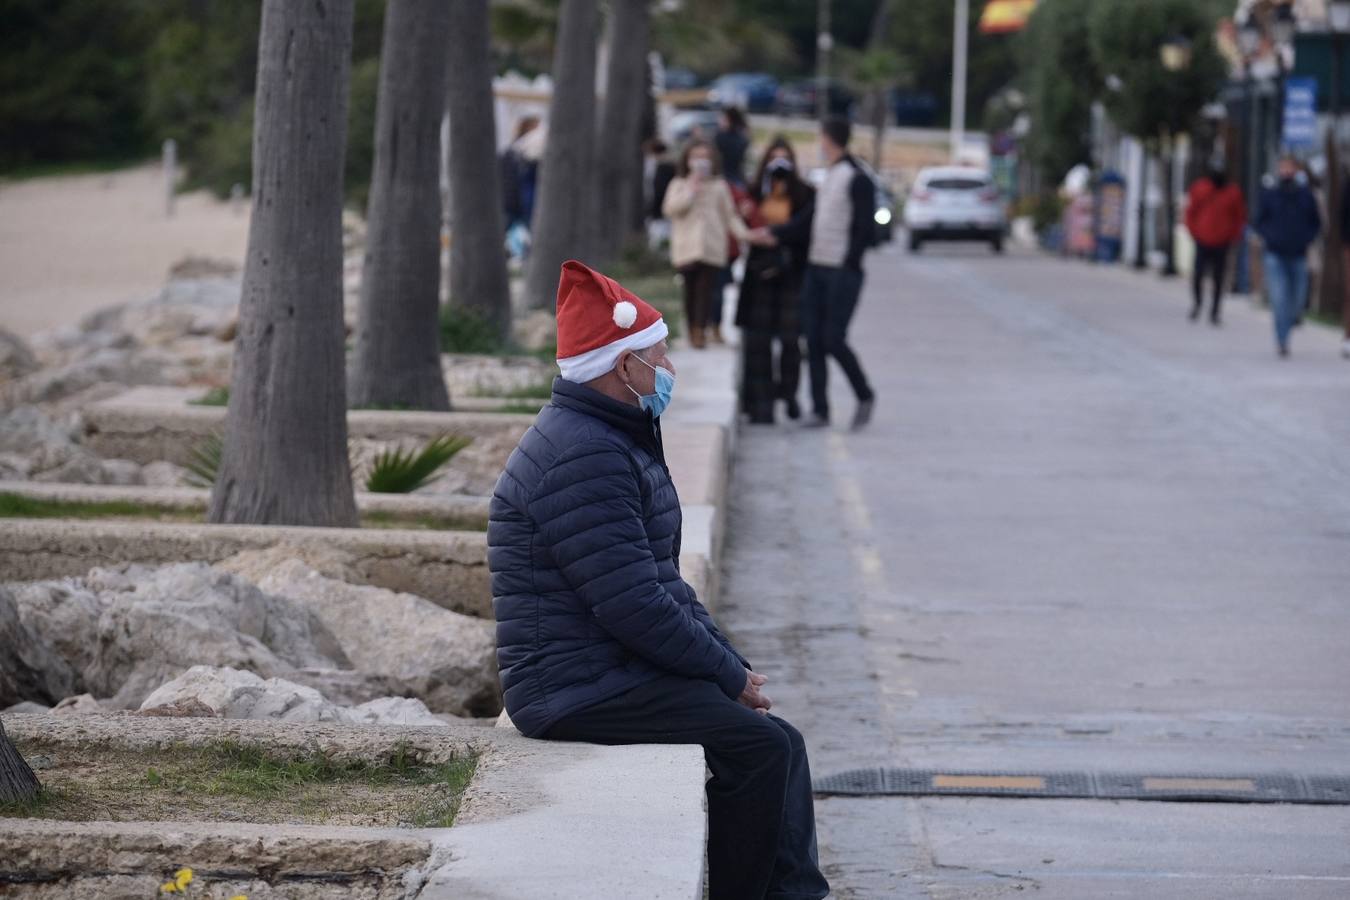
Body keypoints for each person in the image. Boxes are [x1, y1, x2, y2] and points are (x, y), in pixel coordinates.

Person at [489, 260, 830, 900]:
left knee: (779, 740)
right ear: (625, 368)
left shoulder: (609, 437)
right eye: (660, 357)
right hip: (569, 687)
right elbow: (634, 603)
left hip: (603, 666)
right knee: (757, 751)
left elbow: (661, 580)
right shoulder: (585, 454)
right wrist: (726, 677)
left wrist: (730, 665)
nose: (669, 371)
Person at [755, 116, 876, 429]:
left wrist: (849, 263)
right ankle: (820, 409)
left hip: (841, 272)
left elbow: (865, 229)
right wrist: (775, 234)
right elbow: (808, 221)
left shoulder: (856, 177)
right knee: (814, 341)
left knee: (833, 338)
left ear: (827, 139)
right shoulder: (831, 176)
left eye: (820, 138)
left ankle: (864, 394)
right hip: (816, 269)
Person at [737, 137, 814, 424]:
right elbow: (741, 225)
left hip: (791, 274)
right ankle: (761, 405)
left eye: (785, 159)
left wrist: (778, 236)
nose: (779, 166)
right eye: (774, 158)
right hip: (760, 273)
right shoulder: (755, 192)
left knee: (791, 341)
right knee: (758, 343)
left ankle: (789, 394)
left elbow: (807, 230)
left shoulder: (805, 194)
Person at [662, 140, 751, 348]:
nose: (701, 162)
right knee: (690, 290)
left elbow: (730, 216)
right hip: (686, 247)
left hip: (712, 246)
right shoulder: (679, 183)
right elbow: (670, 209)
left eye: (705, 157)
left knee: (706, 289)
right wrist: (691, 189)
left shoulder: (719, 185)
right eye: (696, 157)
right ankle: (691, 327)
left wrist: (745, 235)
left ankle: (701, 330)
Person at [1254, 154, 1321, 357]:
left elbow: (1315, 222)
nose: (1286, 171)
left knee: (1298, 299)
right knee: (1280, 298)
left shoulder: (1305, 195)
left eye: (1290, 167)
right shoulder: (1271, 194)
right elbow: (1259, 220)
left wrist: (1306, 238)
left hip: (1298, 254)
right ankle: (1282, 341)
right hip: (1275, 254)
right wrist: (1269, 237)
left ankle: (1289, 323)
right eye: (1283, 167)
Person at [1184, 163, 1246, 325]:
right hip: (1202, 239)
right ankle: (1197, 304)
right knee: (1198, 274)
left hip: (1222, 242)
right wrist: (1194, 231)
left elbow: (1239, 217)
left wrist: (1233, 236)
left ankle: (1215, 311)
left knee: (1219, 278)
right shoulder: (1200, 188)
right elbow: (1191, 211)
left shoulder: (1232, 192)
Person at [715, 106, 750, 187]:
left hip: (725, 178)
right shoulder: (743, 138)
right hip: (738, 178)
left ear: (728, 120)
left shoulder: (720, 137)